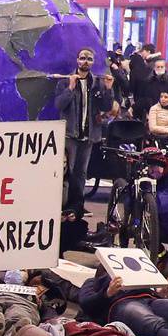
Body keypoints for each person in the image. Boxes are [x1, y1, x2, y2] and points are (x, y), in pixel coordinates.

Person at [56, 48, 104, 214]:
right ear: (77, 60)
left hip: (88, 135)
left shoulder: (97, 83)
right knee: (67, 172)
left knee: (81, 173)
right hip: (70, 134)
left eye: (89, 59)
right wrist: (70, 87)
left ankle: (77, 207)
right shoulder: (65, 81)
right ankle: (63, 206)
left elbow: (104, 106)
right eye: (82, 58)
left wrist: (109, 90)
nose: (85, 61)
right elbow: (60, 105)